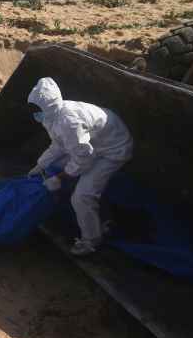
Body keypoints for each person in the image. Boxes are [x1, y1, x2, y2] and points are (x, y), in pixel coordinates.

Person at [27, 77, 133, 256]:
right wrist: (41, 164)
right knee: (61, 164)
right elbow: (58, 145)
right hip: (95, 143)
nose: (36, 113)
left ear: (48, 107)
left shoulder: (69, 122)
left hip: (113, 149)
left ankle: (92, 239)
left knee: (82, 196)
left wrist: (60, 178)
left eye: (38, 109)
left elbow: (84, 159)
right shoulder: (52, 116)